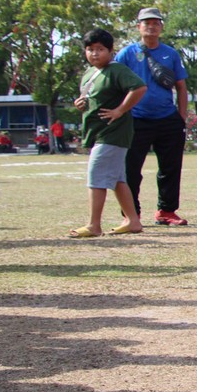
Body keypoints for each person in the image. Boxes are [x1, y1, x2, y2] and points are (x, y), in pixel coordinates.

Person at [115, 7, 190, 225]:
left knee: (170, 167)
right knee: (131, 169)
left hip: (167, 118)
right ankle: (131, 213)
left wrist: (181, 116)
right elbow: (114, 81)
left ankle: (166, 211)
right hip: (135, 118)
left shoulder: (171, 53)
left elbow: (181, 87)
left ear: (161, 27)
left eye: (156, 22)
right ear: (138, 26)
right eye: (146, 22)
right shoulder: (127, 54)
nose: (151, 26)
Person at [70, 29, 146, 238]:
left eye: (100, 49)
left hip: (113, 134)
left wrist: (120, 110)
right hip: (98, 133)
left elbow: (139, 87)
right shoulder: (89, 74)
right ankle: (133, 220)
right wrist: (80, 104)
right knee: (117, 179)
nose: (94, 54)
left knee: (96, 177)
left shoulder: (117, 70)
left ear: (111, 51)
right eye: (90, 49)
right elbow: (90, 99)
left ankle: (94, 225)